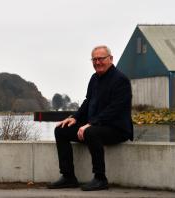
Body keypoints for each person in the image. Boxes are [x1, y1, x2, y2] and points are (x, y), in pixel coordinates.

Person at [47, 45, 133, 191]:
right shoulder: (94, 78)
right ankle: (68, 177)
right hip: (97, 125)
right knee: (61, 130)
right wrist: (74, 117)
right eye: (94, 59)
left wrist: (90, 124)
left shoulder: (121, 80)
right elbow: (88, 102)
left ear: (111, 59)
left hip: (117, 128)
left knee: (90, 132)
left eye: (101, 59)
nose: (97, 62)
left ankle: (100, 179)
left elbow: (115, 110)